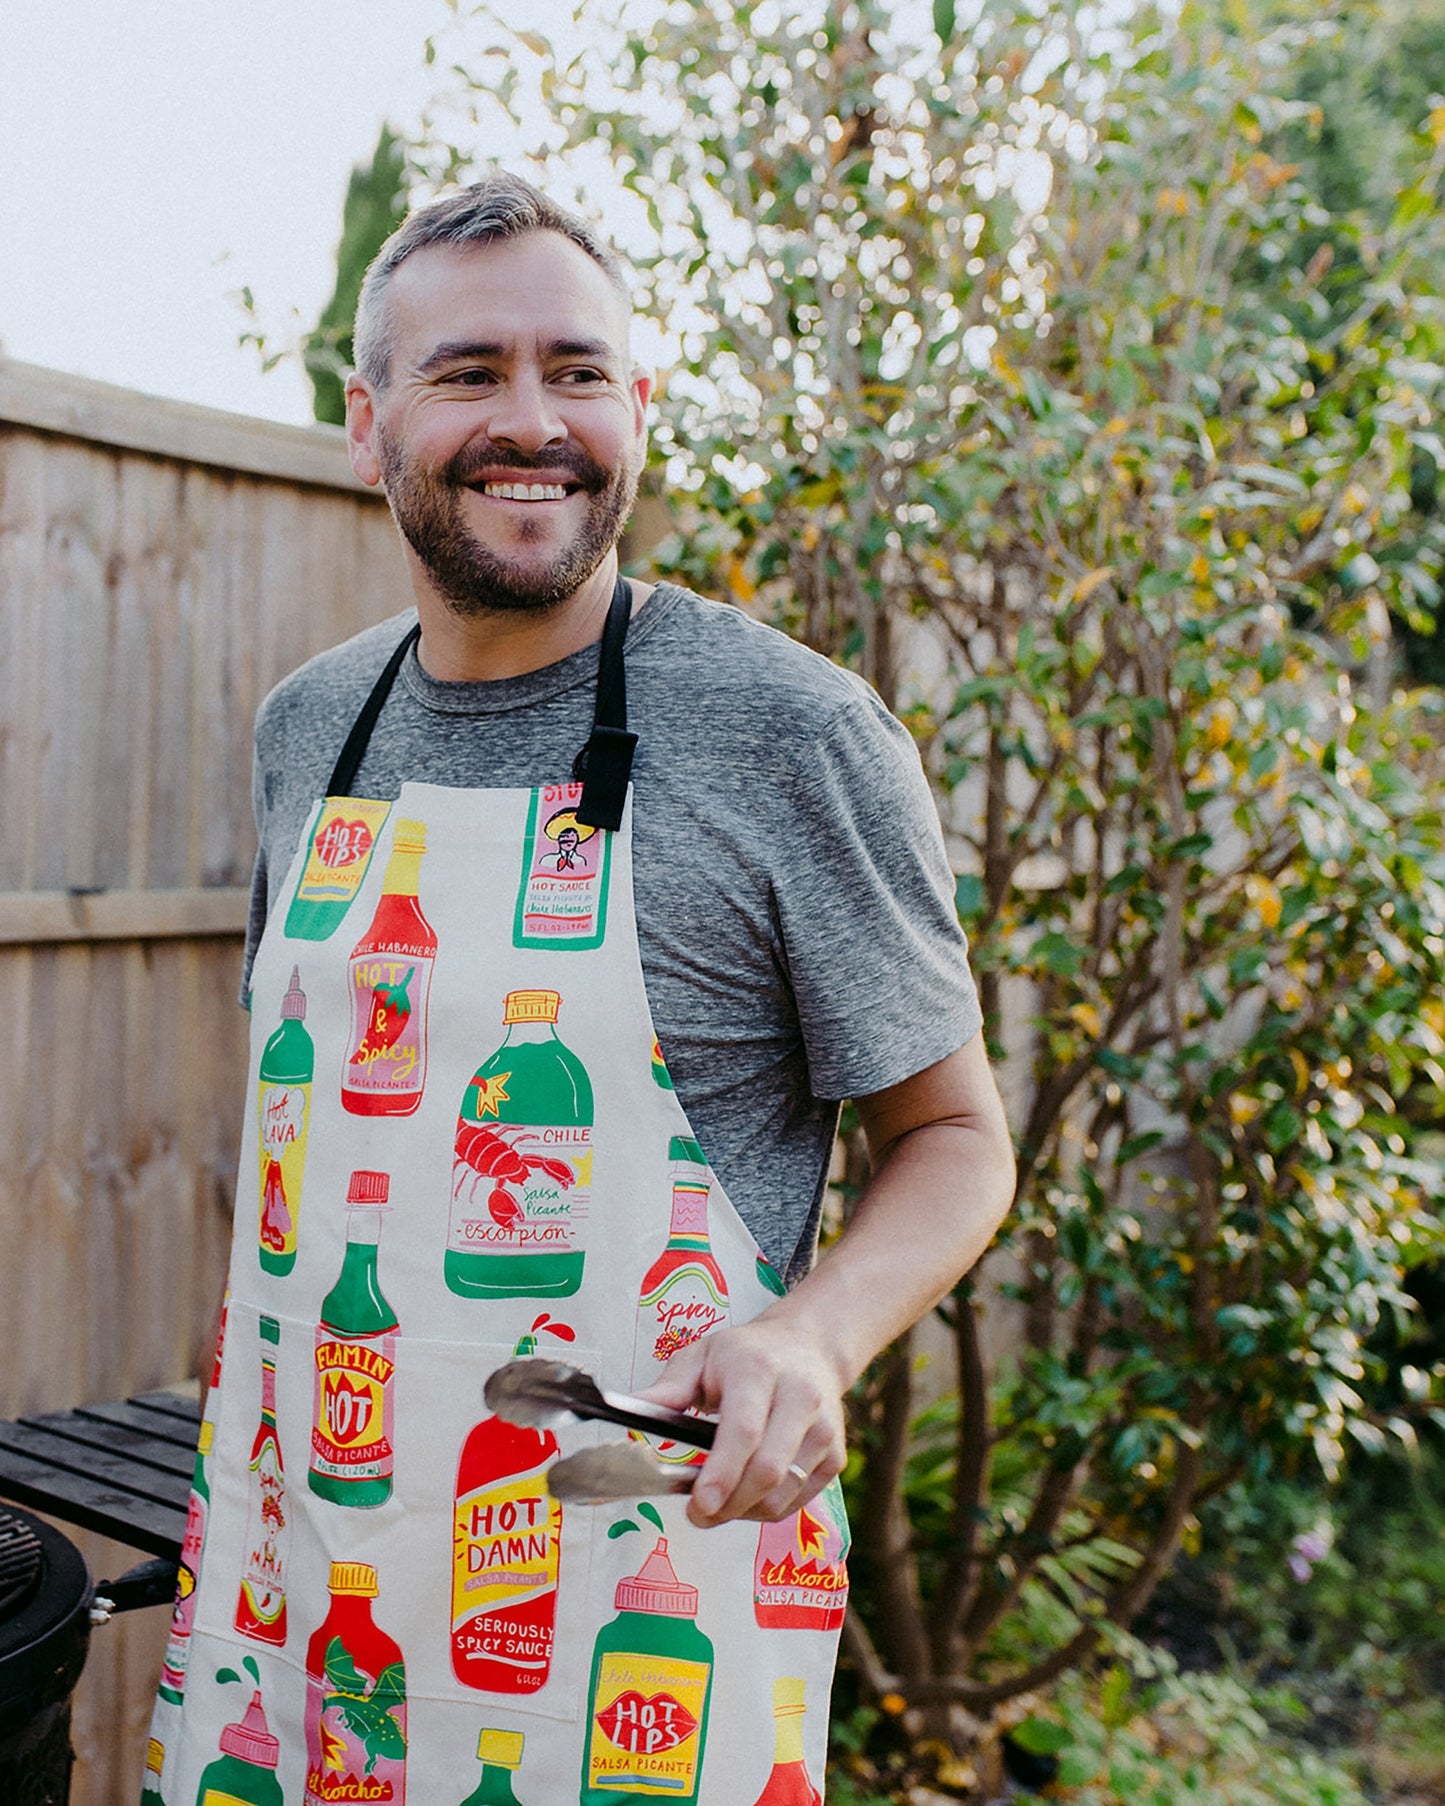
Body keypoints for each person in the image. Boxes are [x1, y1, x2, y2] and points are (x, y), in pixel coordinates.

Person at [144, 171, 1014, 1804]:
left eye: (578, 370)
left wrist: (815, 1340)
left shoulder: (793, 734)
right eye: (469, 373)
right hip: (295, 1578)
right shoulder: (306, 729)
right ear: (368, 419)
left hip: (632, 1609)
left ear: (639, 406)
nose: (530, 421)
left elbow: (958, 1136)